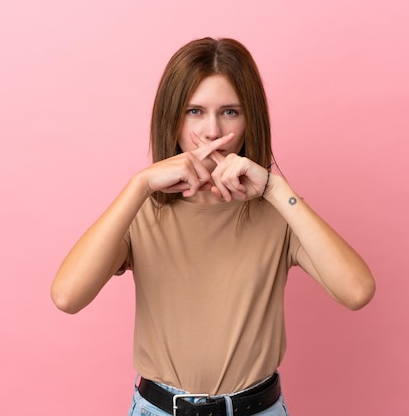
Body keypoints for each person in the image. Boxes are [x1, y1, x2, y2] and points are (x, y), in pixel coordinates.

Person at [51, 37, 376, 416]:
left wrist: (276, 188)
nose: (210, 131)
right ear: (171, 118)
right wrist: (138, 184)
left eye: (230, 112)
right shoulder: (140, 211)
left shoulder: (277, 213)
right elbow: (67, 297)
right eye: (194, 111)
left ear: (249, 119)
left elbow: (357, 291)